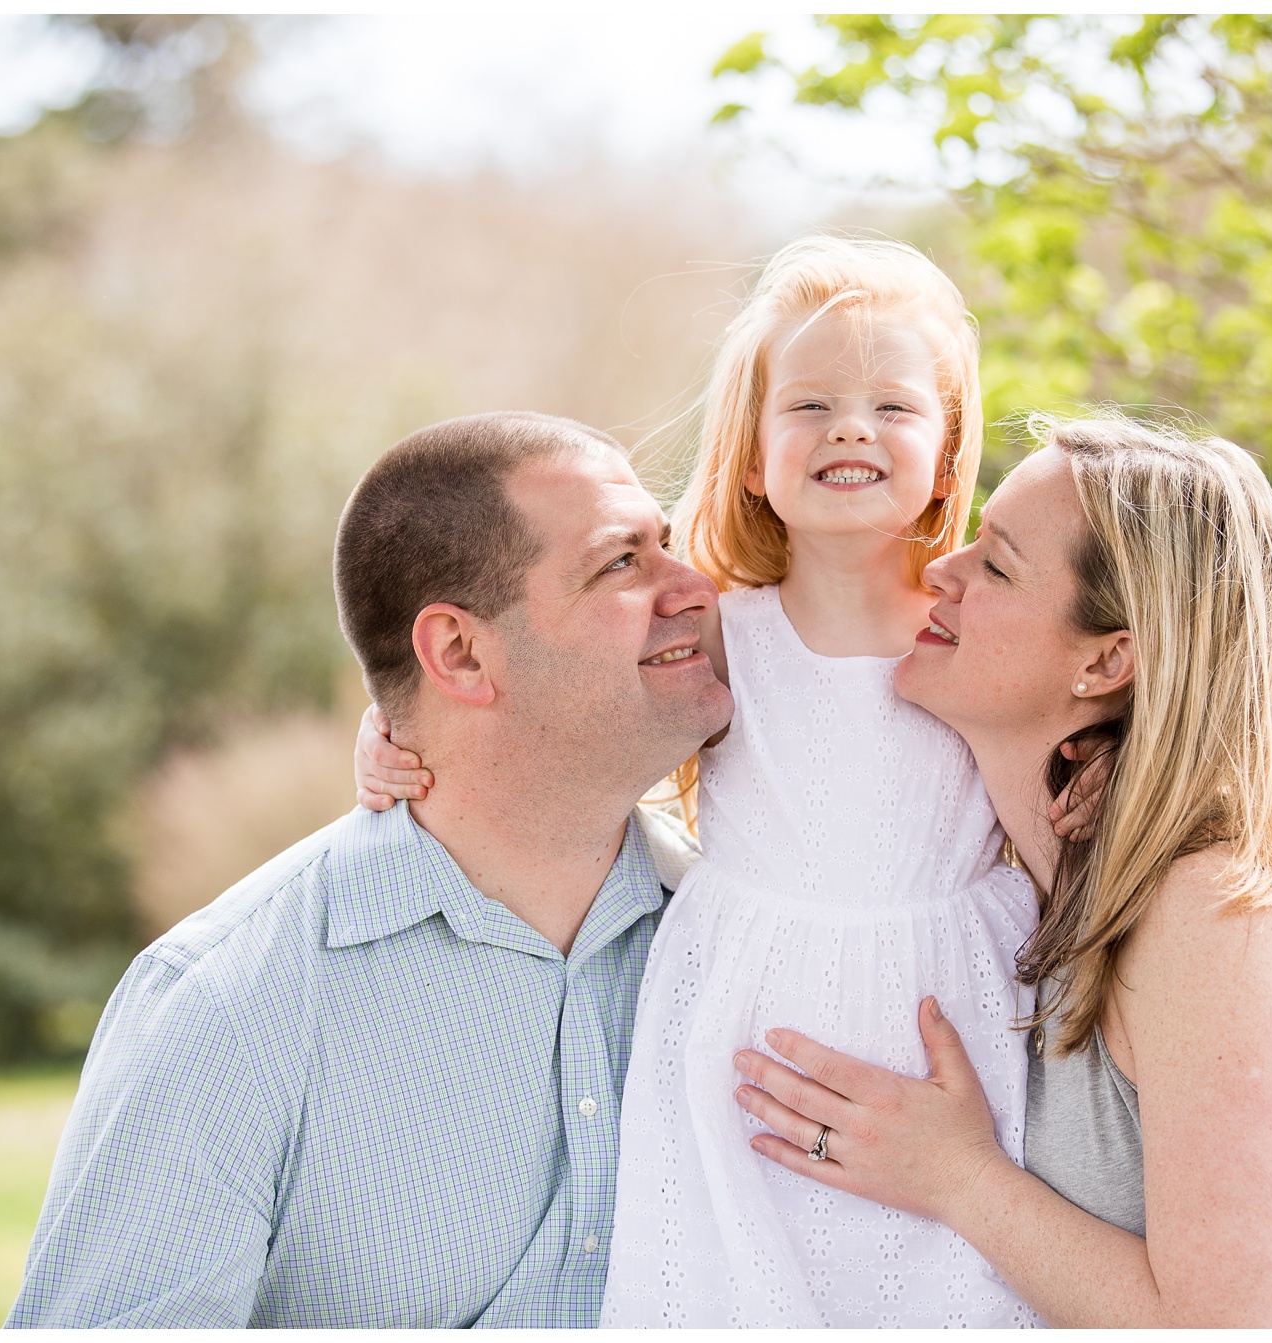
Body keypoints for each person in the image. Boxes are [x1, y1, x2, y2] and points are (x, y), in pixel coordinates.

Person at [363, 237, 1040, 1326]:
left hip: (948, 999)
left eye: (893, 407)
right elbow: (551, 686)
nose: (851, 428)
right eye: (810, 405)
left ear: (948, 448)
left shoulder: (973, 625)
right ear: (756, 453)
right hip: (746, 1005)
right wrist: (382, 729)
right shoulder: (722, 619)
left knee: (949, 1279)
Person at [729, 416, 1272, 1327]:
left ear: (1107, 659)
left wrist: (959, 1179)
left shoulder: (1220, 913)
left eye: (997, 565)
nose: (941, 572)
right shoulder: (1026, 888)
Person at [6, 412, 728, 1327]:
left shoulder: (739, 937)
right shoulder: (232, 1004)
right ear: (460, 652)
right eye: (622, 562)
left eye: (665, 545)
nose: (698, 584)